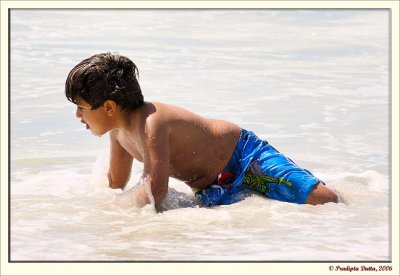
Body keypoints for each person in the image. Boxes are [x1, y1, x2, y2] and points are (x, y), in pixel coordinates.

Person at [65, 52, 339, 209]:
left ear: (110, 107)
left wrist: (117, 210)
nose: (78, 115)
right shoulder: (118, 133)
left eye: (81, 107)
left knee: (324, 200)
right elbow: (116, 183)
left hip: (244, 157)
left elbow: (153, 190)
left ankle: (363, 207)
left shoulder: (152, 123)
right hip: (212, 188)